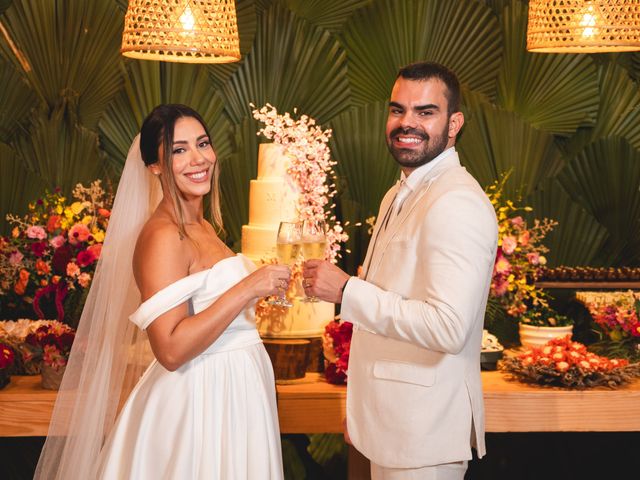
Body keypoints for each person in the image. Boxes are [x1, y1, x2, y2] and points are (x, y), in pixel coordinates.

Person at [35, 104, 287, 479]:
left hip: (234, 396)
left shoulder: (202, 226)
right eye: (179, 150)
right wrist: (248, 287)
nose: (198, 158)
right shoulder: (163, 236)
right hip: (197, 405)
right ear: (154, 166)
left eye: (202, 143)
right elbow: (169, 349)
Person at [303, 62, 498, 479]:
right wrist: (367, 413)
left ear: (454, 123)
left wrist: (347, 291)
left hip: (424, 437)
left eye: (425, 112)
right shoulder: (399, 190)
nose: (406, 123)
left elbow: (448, 327)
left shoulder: (456, 201)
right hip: (395, 426)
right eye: (397, 110)